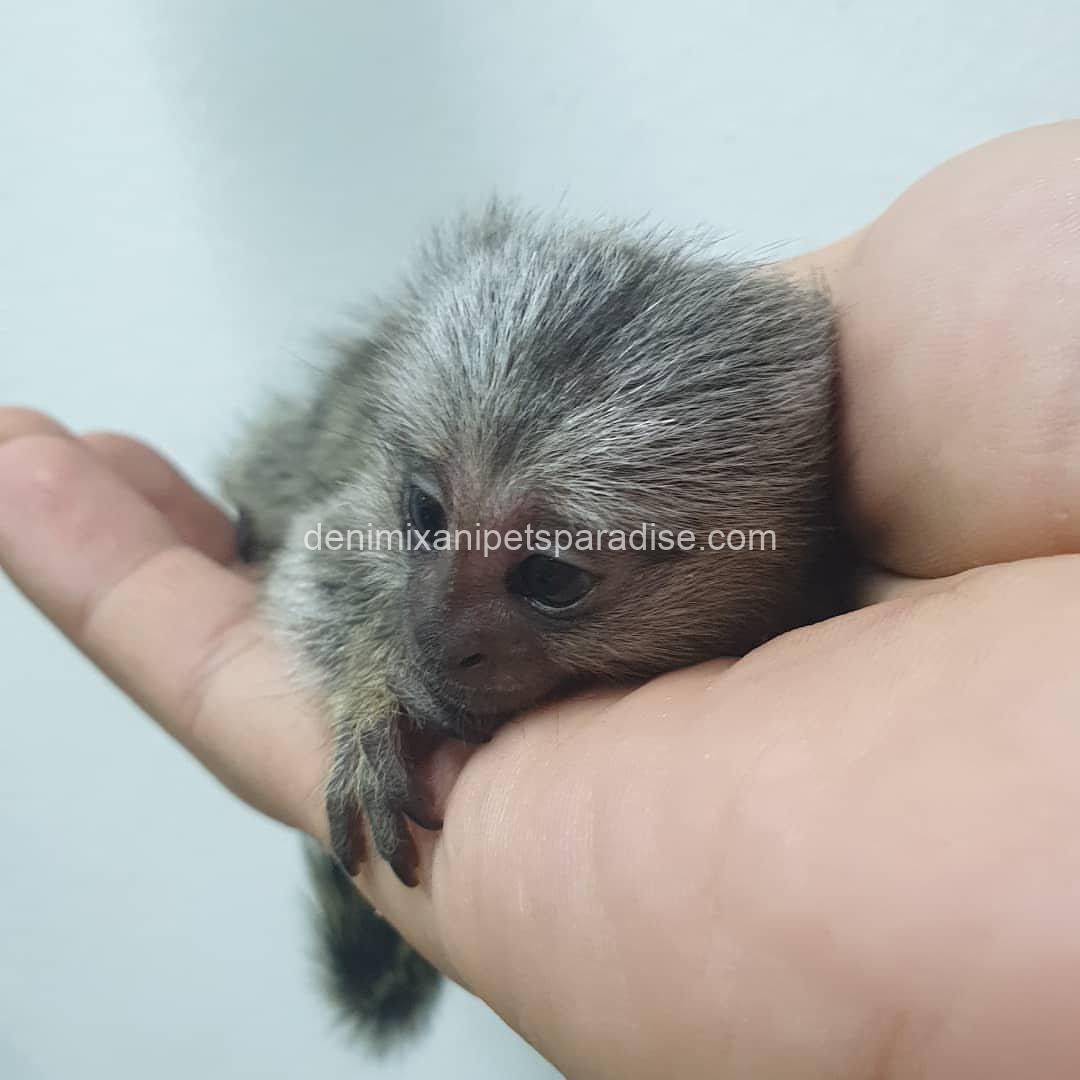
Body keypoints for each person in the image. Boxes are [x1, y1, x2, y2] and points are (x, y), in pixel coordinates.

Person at [3, 121, 1080, 1078]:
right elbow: (332, 573)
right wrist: (376, 680)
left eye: (551, 579)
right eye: (429, 519)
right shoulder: (408, 496)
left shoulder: (803, 555)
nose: (441, 624)